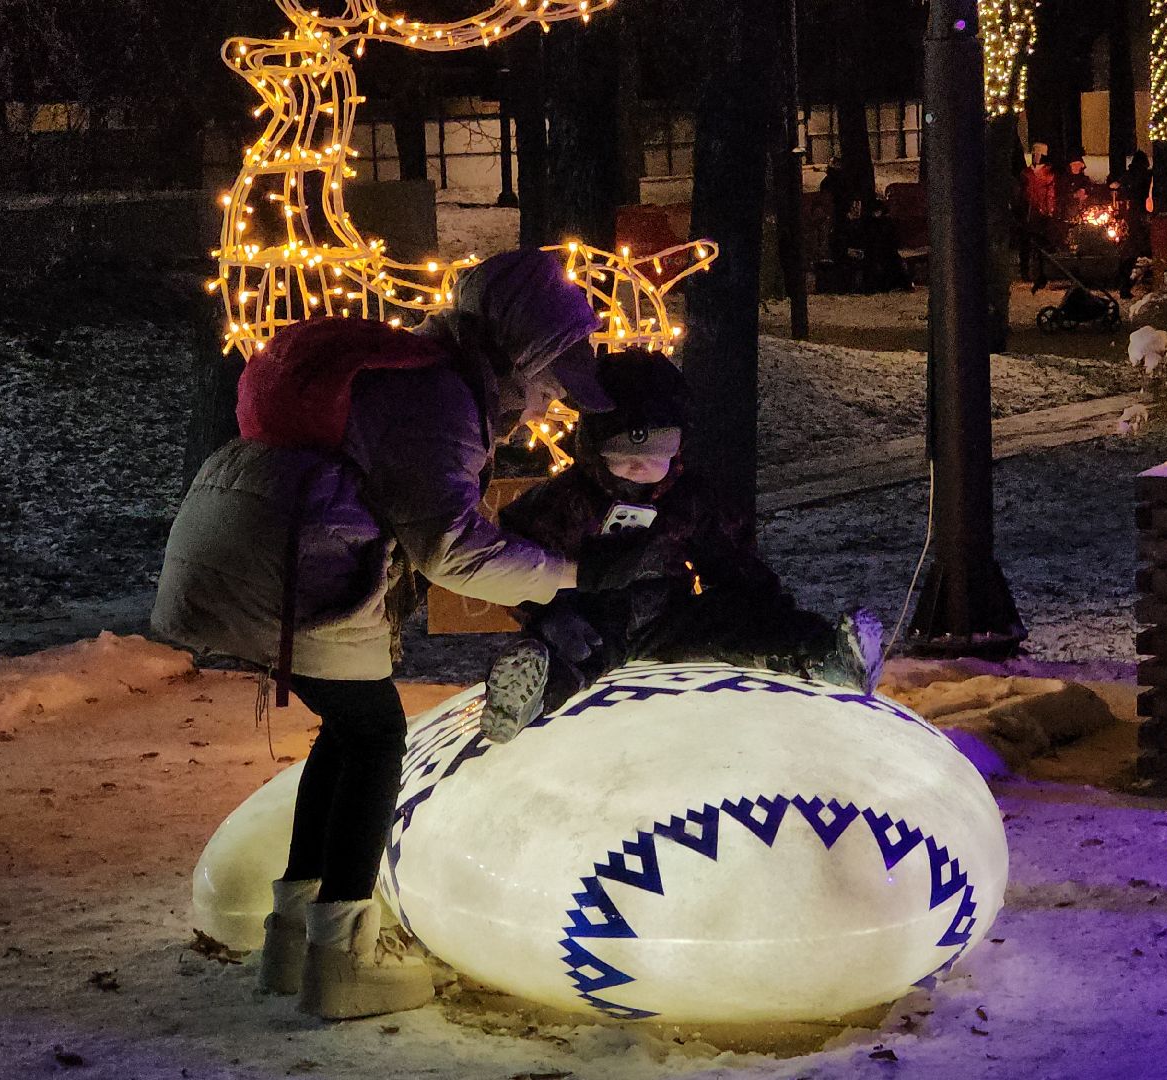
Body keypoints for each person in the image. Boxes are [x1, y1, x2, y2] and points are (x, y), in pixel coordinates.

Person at [152, 250, 671, 1020]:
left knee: (349, 733)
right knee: (375, 738)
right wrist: (578, 573)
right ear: (518, 354)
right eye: (548, 382)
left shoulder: (425, 377)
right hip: (286, 562)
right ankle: (339, 963)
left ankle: (293, 942)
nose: (547, 404)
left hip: (255, 542)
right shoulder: (437, 398)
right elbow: (451, 551)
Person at [478, 348, 884, 742]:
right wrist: (547, 613)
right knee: (578, 652)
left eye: (654, 455)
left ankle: (825, 654)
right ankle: (525, 696)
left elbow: (728, 553)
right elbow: (519, 557)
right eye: (624, 454)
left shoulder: (686, 500)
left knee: (733, 625)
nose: (639, 467)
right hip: (592, 617)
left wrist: (759, 599)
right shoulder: (568, 500)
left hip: (667, 612)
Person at [1112, 150, 1153, 299]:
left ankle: (1124, 282)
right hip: (1140, 215)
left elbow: (1119, 187)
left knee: (1131, 251)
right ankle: (1126, 284)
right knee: (1136, 250)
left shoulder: (1128, 176)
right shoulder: (1145, 176)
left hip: (1132, 216)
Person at [1020, 149, 1057, 290]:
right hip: (1028, 212)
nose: (1036, 156)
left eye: (1038, 154)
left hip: (1041, 213)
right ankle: (1025, 271)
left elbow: (1050, 194)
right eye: (1034, 154)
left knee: (1041, 244)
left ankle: (1041, 273)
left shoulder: (1047, 174)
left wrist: (1049, 210)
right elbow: (1022, 191)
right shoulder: (1026, 173)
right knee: (1026, 243)